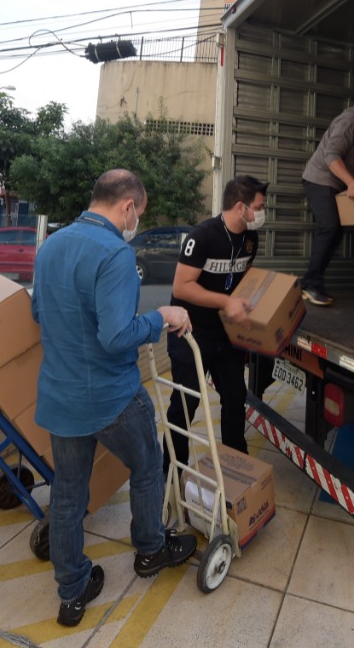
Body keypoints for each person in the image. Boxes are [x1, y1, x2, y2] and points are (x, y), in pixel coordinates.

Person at [31, 169, 198, 627]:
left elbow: (39, 312)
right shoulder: (115, 254)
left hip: (60, 395)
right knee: (148, 465)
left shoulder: (51, 246)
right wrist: (161, 316)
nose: (136, 223)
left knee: (68, 494)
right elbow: (116, 336)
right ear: (127, 207)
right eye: (138, 213)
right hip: (110, 398)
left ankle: (73, 591)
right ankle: (151, 549)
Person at [164, 175, 268, 473]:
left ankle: (236, 467)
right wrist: (226, 302)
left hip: (226, 335)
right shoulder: (203, 236)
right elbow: (181, 287)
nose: (262, 214)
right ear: (240, 207)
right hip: (191, 333)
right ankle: (171, 473)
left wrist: (247, 307)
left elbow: (244, 280)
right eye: (259, 207)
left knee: (235, 398)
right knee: (185, 405)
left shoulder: (251, 239)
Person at [300, 94, 354, 306]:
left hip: (338, 183)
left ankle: (312, 282)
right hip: (320, 178)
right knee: (329, 226)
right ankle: (311, 284)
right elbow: (331, 156)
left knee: (336, 232)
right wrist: (351, 182)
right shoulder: (351, 121)